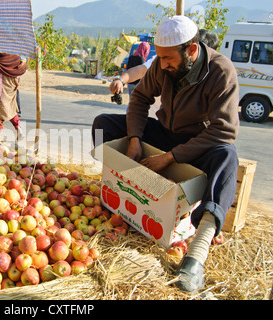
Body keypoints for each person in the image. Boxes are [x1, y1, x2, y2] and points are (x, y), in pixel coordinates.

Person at [92, 16, 240, 293]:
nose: (162, 65)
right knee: (104, 123)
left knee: (227, 156)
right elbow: (139, 99)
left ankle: (196, 254)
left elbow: (225, 130)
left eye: (168, 58)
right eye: (159, 58)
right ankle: (122, 193)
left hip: (198, 143)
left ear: (192, 51)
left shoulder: (221, 71)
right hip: (165, 132)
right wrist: (135, 140)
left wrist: (171, 157)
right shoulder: (163, 66)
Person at [110, 29, 219, 96]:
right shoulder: (163, 61)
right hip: (152, 124)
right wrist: (120, 80)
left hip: (180, 130)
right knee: (101, 124)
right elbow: (139, 72)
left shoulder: (216, 75)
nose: (163, 65)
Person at [0, 52, 27, 139]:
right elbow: (19, 65)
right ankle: (17, 128)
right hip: (10, 84)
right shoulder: (13, 53)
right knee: (9, 108)